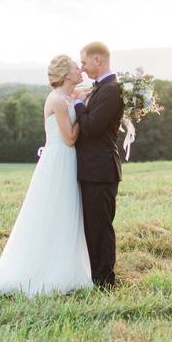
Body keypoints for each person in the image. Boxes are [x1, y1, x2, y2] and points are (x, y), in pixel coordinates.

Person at [0, 54, 94, 297]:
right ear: (65, 74)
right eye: (74, 67)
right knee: (52, 212)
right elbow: (69, 138)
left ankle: (65, 264)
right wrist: (83, 112)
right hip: (59, 160)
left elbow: (90, 90)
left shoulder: (69, 95)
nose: (80, 69)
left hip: (67, 161)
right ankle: (44, 270)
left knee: (65, 211)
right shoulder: (58, 99)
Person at [73, 41, 124, 288]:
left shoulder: (111, 90)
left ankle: (105, 281)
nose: (81, 68)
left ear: (98, 61)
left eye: (83, 62)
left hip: (101, 170)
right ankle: (95, 276)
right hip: (92, 169)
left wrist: (77, 105)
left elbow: (92, 127)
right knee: (92, 227)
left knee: (101, 228)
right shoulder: (100, 88)